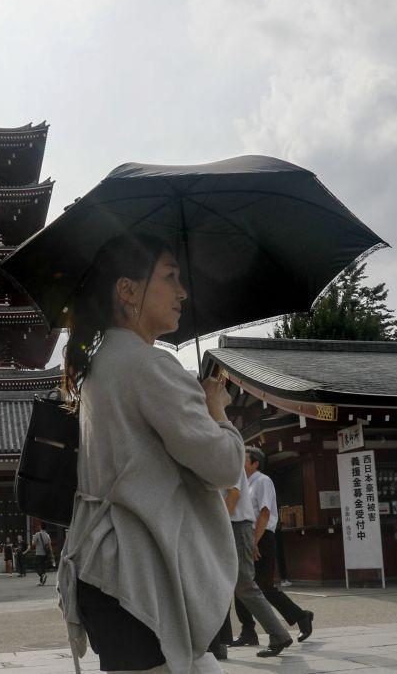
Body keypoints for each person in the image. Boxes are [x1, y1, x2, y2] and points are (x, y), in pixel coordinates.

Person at [56, 234, 245, 674]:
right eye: (170, 277)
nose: (182, 292)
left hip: (102, 571)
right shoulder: (149, 365)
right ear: (127, 290)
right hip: (138, 578)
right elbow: (224, 466)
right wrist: (217, 411)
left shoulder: (99, 366)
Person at [232, 447, 313, 647]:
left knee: (263, 585)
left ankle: (301, 616)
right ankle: (248, 631)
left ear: (255, 463)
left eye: (244, 460)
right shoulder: (244, 483)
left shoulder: (262, 481)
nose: (240, 463)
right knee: (242, 584)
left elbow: (265, 513)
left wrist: (254, 541)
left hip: (262, 536)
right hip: (247, 536)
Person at [216, 460, 292, 658]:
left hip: (235, 526)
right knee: (221, 584)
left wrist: (217, 524)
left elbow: (233, 494)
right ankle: (218, 643)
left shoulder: (227, 455)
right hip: (230, 526)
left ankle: (278, 634)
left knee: (244, 586)